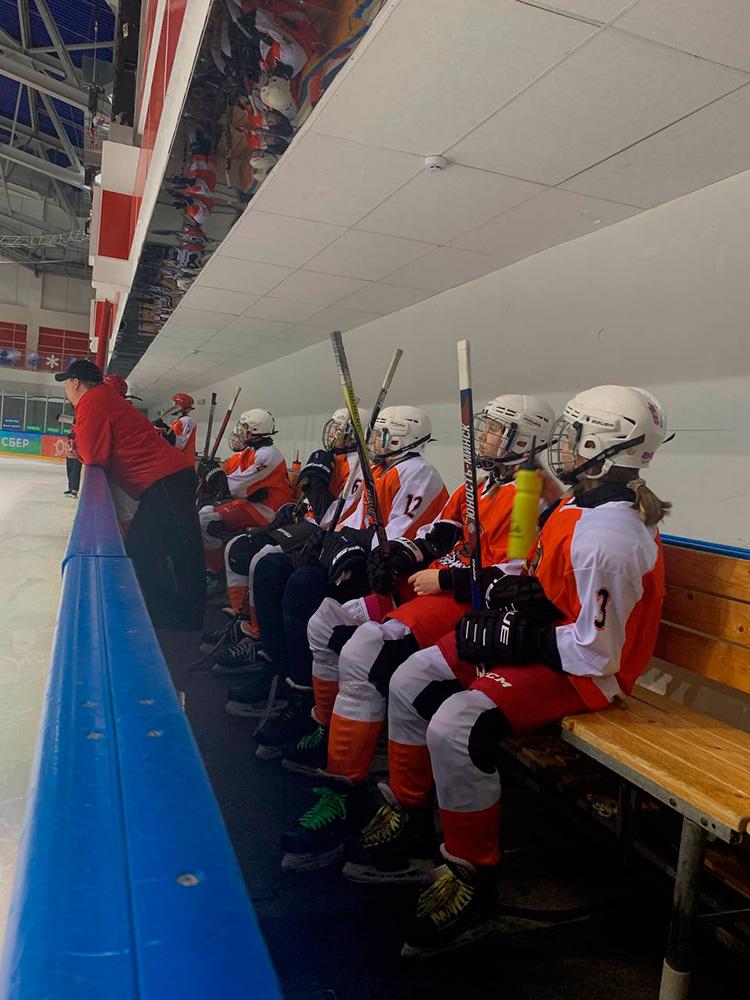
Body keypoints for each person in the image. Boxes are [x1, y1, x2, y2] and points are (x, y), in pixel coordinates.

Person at [342, 385, 671, 958]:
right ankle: (412, 813)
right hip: (542, 633)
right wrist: (433, 558)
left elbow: (593, 647)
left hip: (579, 667)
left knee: (455, 721)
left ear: (599, 446)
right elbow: (521, 569)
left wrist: (503, 623)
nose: (560, 445)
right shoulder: (564, 500)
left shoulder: (579, 518)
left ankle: (473, 876)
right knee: (410, 676)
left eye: (572, 434)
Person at [278, 395, 555, 870]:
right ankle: (337, 755)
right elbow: (441, 533)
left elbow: (512, 576)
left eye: (496, 429)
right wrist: (400, 554)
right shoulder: (481, 482)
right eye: (486, 425)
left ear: (524, 439)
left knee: (368, 651)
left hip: (469, 605)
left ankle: (365, 796)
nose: (484, 435)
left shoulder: (529, 493)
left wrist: (446, 580)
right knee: (333, 624)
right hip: (435, 592)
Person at [226, 405, 448, 736]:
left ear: (403, 438)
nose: (375, 440)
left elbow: (394, 537)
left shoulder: (419, 473)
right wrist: (327, 535)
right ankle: (278, 669)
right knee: (271, 567)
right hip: (350, 556)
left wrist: (345, 539)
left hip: (380, 572)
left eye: (383, 434)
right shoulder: (374, 469)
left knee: (303, 585)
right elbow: (341, 518)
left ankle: (303, 694)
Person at [55, 359, 205, 630]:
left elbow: (94, 455)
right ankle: (173, 614)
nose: (66, 390)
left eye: (66, 384)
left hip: (165, 480)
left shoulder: (92, 402)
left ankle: (182, 618)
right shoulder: (102, 398)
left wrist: (78, 450)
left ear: (75, 382)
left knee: (170, 549)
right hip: (164, 480)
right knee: (157, 549)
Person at [197, 408, 293, 590]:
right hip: (253, 504)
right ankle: (215, 565)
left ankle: (215, 572)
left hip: (269, 512)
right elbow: (234, 481)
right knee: (205, 511)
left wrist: (215, 476)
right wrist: (215, 473)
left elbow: (235, 487)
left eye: (245, 427)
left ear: (256, 431)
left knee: (205, 519)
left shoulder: (268, 455)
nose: (241, 430)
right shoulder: (251, 451)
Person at [170, 392, 198, 464]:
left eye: (174, 405)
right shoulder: (177, 421)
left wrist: (167, 437)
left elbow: (180, 444)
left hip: (184, 461)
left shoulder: (187, 421)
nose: (172, 408)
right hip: (177, 460)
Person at [63, 428, 81, 498]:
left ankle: (74, 490)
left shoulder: (79, 433)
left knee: (75, 474)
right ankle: (70, 488)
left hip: (76, 458)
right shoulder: (71, 432)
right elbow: (68, 442)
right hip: (69, 457)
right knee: (70, 473)